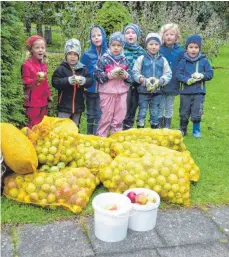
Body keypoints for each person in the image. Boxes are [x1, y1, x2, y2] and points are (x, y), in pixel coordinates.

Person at [94, 32, 132, 137]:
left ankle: (116, 139)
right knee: (106, 118)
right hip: (107, 93)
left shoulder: (125, 60)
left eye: (119, 45)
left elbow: (131, 78)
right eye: (113, 45)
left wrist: (125, 75)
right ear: (109, 45)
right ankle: (102, 139)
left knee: (119, 118)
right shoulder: (104, 59)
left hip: (122, 93)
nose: (116, 48)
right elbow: (96, 75)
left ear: (122, 46)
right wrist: (109, 75)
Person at [176, 34, 213, 138]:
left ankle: (196, 131)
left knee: (197, 112)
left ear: (199, 48)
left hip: (199, 92)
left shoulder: (204, 61)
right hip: (185, 92)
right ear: (187, 48)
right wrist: (187, 80)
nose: (193, 50)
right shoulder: (183, 61)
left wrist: (202, 75)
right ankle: (182, 130)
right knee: (184, 113)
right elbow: (178, 74)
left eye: (196, 47)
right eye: (191, 47)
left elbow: (210, 74)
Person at [132, 33, 172, 129]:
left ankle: (154, 129)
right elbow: (135, 72)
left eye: (156, 44)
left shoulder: (163, 60)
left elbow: (168, 73)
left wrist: (161, 81)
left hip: (157, 91)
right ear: (146, 45)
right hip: (143, 91)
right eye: (151, 44)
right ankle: (140, 128)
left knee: (155, 111)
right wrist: (143, 80)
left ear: (159, 46)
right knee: (142, 110)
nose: (153, 47)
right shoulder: (141, 59)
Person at [52, 39, 93, 128]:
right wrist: (68, 81)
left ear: (78, 56)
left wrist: (84, 81)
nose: (72, 57)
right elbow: (55, 82)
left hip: (78, 105)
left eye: (75, 54)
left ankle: (74, 141)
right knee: (63, 128)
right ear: (66, 55)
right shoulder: (61, 69)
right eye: (70, 54)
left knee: (75, 127)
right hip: (64, 106)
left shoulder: (83, 69)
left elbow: (90, 81)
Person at [21, 35, 52, 128]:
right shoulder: (27, 65)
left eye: (42, 47)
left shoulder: (44, 65)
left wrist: (49, 94)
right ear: (31, 50)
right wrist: (36, 80)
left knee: (42, 126)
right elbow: (25, 81)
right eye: (37, 48)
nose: (40, 50)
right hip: (32, 103)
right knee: (33, 126)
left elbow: (45, 82)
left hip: (43, 101)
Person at [81, 25, 107, 135]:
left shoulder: (108, 53)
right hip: (90, 90)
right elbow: (81, 70)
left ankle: (97, 137)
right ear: (91, 39)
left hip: (104, 90)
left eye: (99, 35)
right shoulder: (87, 54)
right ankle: (89, 135)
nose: (96, 38)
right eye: (93, 36)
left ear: (104, 36)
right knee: (90, 113)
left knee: (99, 114)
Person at [159, 23, 185, 128]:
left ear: (176, 37)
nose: (169, 37)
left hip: (173, 82)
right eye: (166, 34)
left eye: (172, 34)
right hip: (160, 83)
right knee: (160, 105)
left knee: (169, 105)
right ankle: (159, 125)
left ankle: (167, 125)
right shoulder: (159, 49)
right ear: (162, 36)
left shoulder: (180, 52)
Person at [122, 24, 145, 130]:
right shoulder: (121, 50)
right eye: (127, 33)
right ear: (124, 36)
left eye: (133, 32)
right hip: (123, 84)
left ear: (137, 35)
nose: (130, 35)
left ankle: (128, 129)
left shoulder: (142, 51)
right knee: (122, 109)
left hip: (136, 86)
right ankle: (119, 129)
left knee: (133, 108)